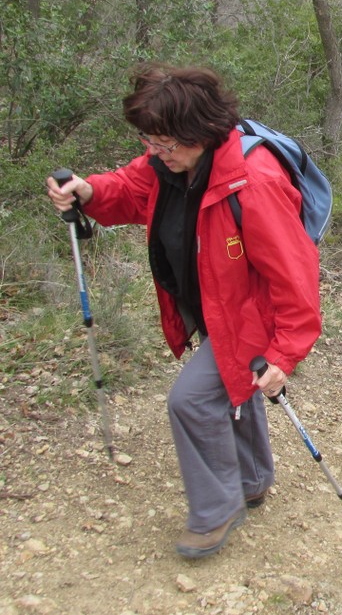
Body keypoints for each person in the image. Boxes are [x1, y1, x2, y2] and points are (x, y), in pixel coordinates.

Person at [45, 65, 322, 559]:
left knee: (192, 400)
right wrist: (87, 192)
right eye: (152, 142)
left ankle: (216, 511)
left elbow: (295, 275)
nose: (156, 152)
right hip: (213, 307)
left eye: (166, 143)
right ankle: (253, 480)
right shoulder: (170, 164)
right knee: (237, 386)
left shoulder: (252, 181)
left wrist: (285, 353)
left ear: (201, 132)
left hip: (249, 316)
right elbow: (130, 190)